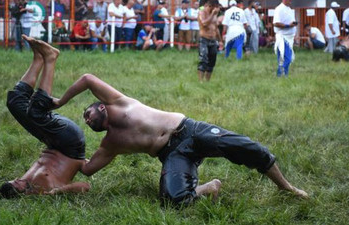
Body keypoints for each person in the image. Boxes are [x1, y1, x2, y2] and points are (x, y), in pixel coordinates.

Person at [52, 77, 309, 207]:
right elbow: (86, 168)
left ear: (100, 106)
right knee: (172, 200)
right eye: (85, 121)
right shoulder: (110, 144)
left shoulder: (119, 102)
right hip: (173, 155)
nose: (86, 120)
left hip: (190, 131)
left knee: (247, 148)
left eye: (87, 113)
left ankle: (286, 187)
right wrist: (60, 150)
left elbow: (86, 78)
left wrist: (60, 102)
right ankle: (209, 187)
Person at [0, 35, 89, 198]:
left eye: (14, 180)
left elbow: (11, 191)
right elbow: (85, 186)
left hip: (54, 142)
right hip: (70, 143)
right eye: (17, 183)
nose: (17, 179)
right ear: (23, 192)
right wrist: (57, 191)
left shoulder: (26, 184)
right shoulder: (44, 189)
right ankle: (50, 58)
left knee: (15, 102)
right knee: (37, 113)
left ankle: (38, 58)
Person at [197, 0, 222, 82]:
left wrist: (220, 40)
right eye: (217, 7)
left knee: (212, 61)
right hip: (204, 39)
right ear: (211, 6)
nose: (218, 9)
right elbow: (204, 23)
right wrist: (212, 14)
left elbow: (216, 27)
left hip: (213, 40)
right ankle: (200, 81)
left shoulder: (214, 14)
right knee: (203, 60)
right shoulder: (202, 12)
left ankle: (207, 81)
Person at [272, 0, 297, 77]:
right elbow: (276, 23)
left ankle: (282, 75)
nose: (291, 1)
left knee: (284, 58)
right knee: (286, 58)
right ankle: (282, 75)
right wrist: (288, 26)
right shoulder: (279, 9)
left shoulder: (289, 9)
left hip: (289, 37)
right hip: (283, 37)